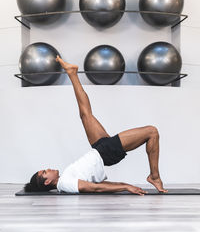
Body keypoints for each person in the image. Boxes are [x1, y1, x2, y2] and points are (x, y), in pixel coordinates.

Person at [24, 56, 168, 196]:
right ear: (47, 181)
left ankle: (72, 74)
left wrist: (124, 185)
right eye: (44, 172)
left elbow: (97, 185)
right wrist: (125, 186)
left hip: (99, 149)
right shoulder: (65, 184)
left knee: (85, 114)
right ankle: (154, 176)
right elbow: (93, 188)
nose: (47, 169)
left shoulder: (64, 180)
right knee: (152, 132)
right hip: (105, 153)